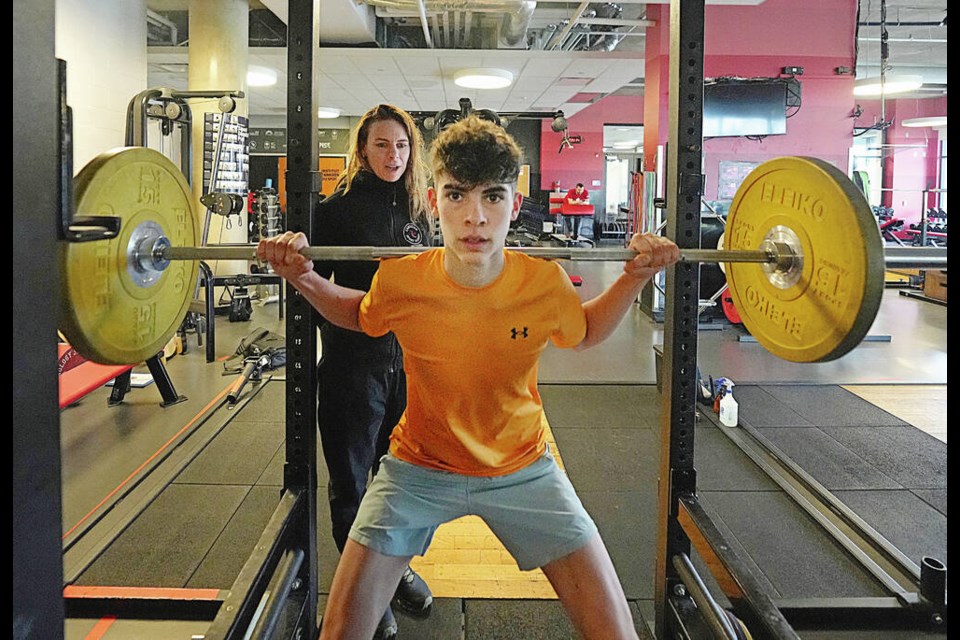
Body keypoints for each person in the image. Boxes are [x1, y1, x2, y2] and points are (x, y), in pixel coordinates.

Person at [258, 116, 680, 640]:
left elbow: (587, 330)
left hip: (523, 468)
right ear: (434, 203)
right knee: (340, 632)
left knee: (617, 632)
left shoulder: (542, 281)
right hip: (417, 468)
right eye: (456, 196)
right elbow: (361, 312)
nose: (474, 218)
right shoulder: (403, 279)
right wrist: (302, 276)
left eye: (493, 197)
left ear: (515, 205)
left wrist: (635, 275)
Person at [311, 104, 434, 640]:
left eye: (402, 146)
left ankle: (396, 568)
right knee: (352, 483)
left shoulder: (419, 209)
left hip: (405, 364)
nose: (395, 155)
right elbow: (312, 285)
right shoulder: (333, 211)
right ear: (362, 149)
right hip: (351, 365)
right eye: (382, 145)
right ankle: (364, 588)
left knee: (400, 479)